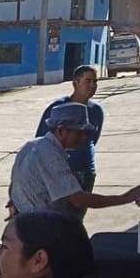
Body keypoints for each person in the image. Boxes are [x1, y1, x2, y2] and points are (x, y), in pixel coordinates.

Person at [8, 102, 140, 219]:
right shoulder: (51, 155)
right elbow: (77, 199)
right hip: (40, 226)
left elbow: (13, 185)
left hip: (24, 221)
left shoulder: (31, 145)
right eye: (78, 132)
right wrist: (125, 198)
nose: (83, 138)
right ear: (61, 130)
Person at [34, 66, 106, 219]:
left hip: (86, 172)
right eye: (88, 81)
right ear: (75, 83)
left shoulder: (96, 111)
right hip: (61, 172)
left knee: (77, 219)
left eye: (95, 81)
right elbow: (41, 140)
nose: (92, 85)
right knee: (57, 218)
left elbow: (93, 139)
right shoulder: (58, 108)